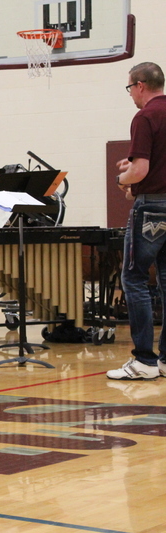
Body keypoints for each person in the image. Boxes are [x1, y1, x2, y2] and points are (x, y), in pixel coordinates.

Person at [107, 62, 166, 381]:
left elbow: (140, 172)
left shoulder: (145, 116)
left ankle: (144, 359)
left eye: (130, 88)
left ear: (140, 85)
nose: (130, 94)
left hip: (153, 208)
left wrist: (122, 177)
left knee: (134, 278)